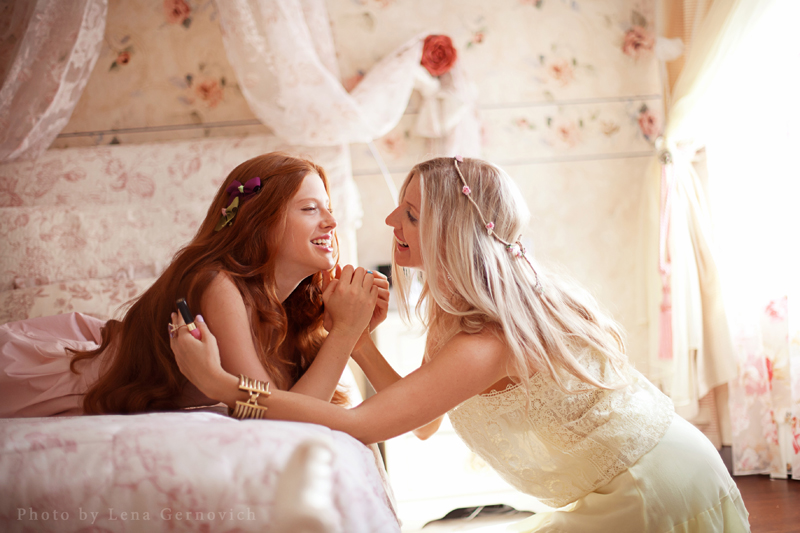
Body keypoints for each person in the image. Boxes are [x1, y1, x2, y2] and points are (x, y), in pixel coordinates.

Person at [171, 156, 750, 532]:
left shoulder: (486, 340)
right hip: (653, 471)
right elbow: (423, 421)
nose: (390, 218)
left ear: (448, 230)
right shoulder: (459, 315)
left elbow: (362, 425)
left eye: (410, 213)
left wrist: (223, 385)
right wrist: (361, 341)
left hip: (657, 487)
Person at [0, 152, 389, 417]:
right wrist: (344, 333)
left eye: (329, 209)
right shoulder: (218, 284)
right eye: (310, 209)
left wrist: (347, 331)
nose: (331, 222)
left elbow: (290, 406)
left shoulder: (294, 306)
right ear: (259, 221)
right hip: (57, 383)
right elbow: (282, 418)